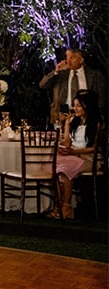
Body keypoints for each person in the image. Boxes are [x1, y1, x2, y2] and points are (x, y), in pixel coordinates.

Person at [49, 90, 101, 220]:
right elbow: (67, 143)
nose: (74, 108)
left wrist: (74, 152)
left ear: (87, 106)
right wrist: (66, 125)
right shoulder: (75, 122)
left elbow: (95, 148)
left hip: (89, 159)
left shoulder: (97, 123)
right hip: (73, 155)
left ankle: (66, 206)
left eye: (78, 105)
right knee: (54, 167)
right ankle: (59, 204)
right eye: (74, 105)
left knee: (65, 171)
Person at [39, 48, 106, 125]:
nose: (68, 60)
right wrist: (56, 71)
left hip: (86, 116)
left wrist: (98, 116)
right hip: (63, 116)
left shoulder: (94, 75)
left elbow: (101, 98)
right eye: (67, 57)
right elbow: (43, 85)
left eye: (72, 57)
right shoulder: (61, 74)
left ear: (81, 60)